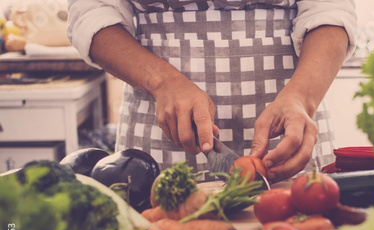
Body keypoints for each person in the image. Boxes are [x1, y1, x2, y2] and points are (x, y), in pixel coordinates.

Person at [67, 0, 357, 183]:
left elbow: (331, 9)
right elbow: (91, 11)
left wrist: (301, 97)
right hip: (160, 139)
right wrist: (162, 81)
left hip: (289, 131)